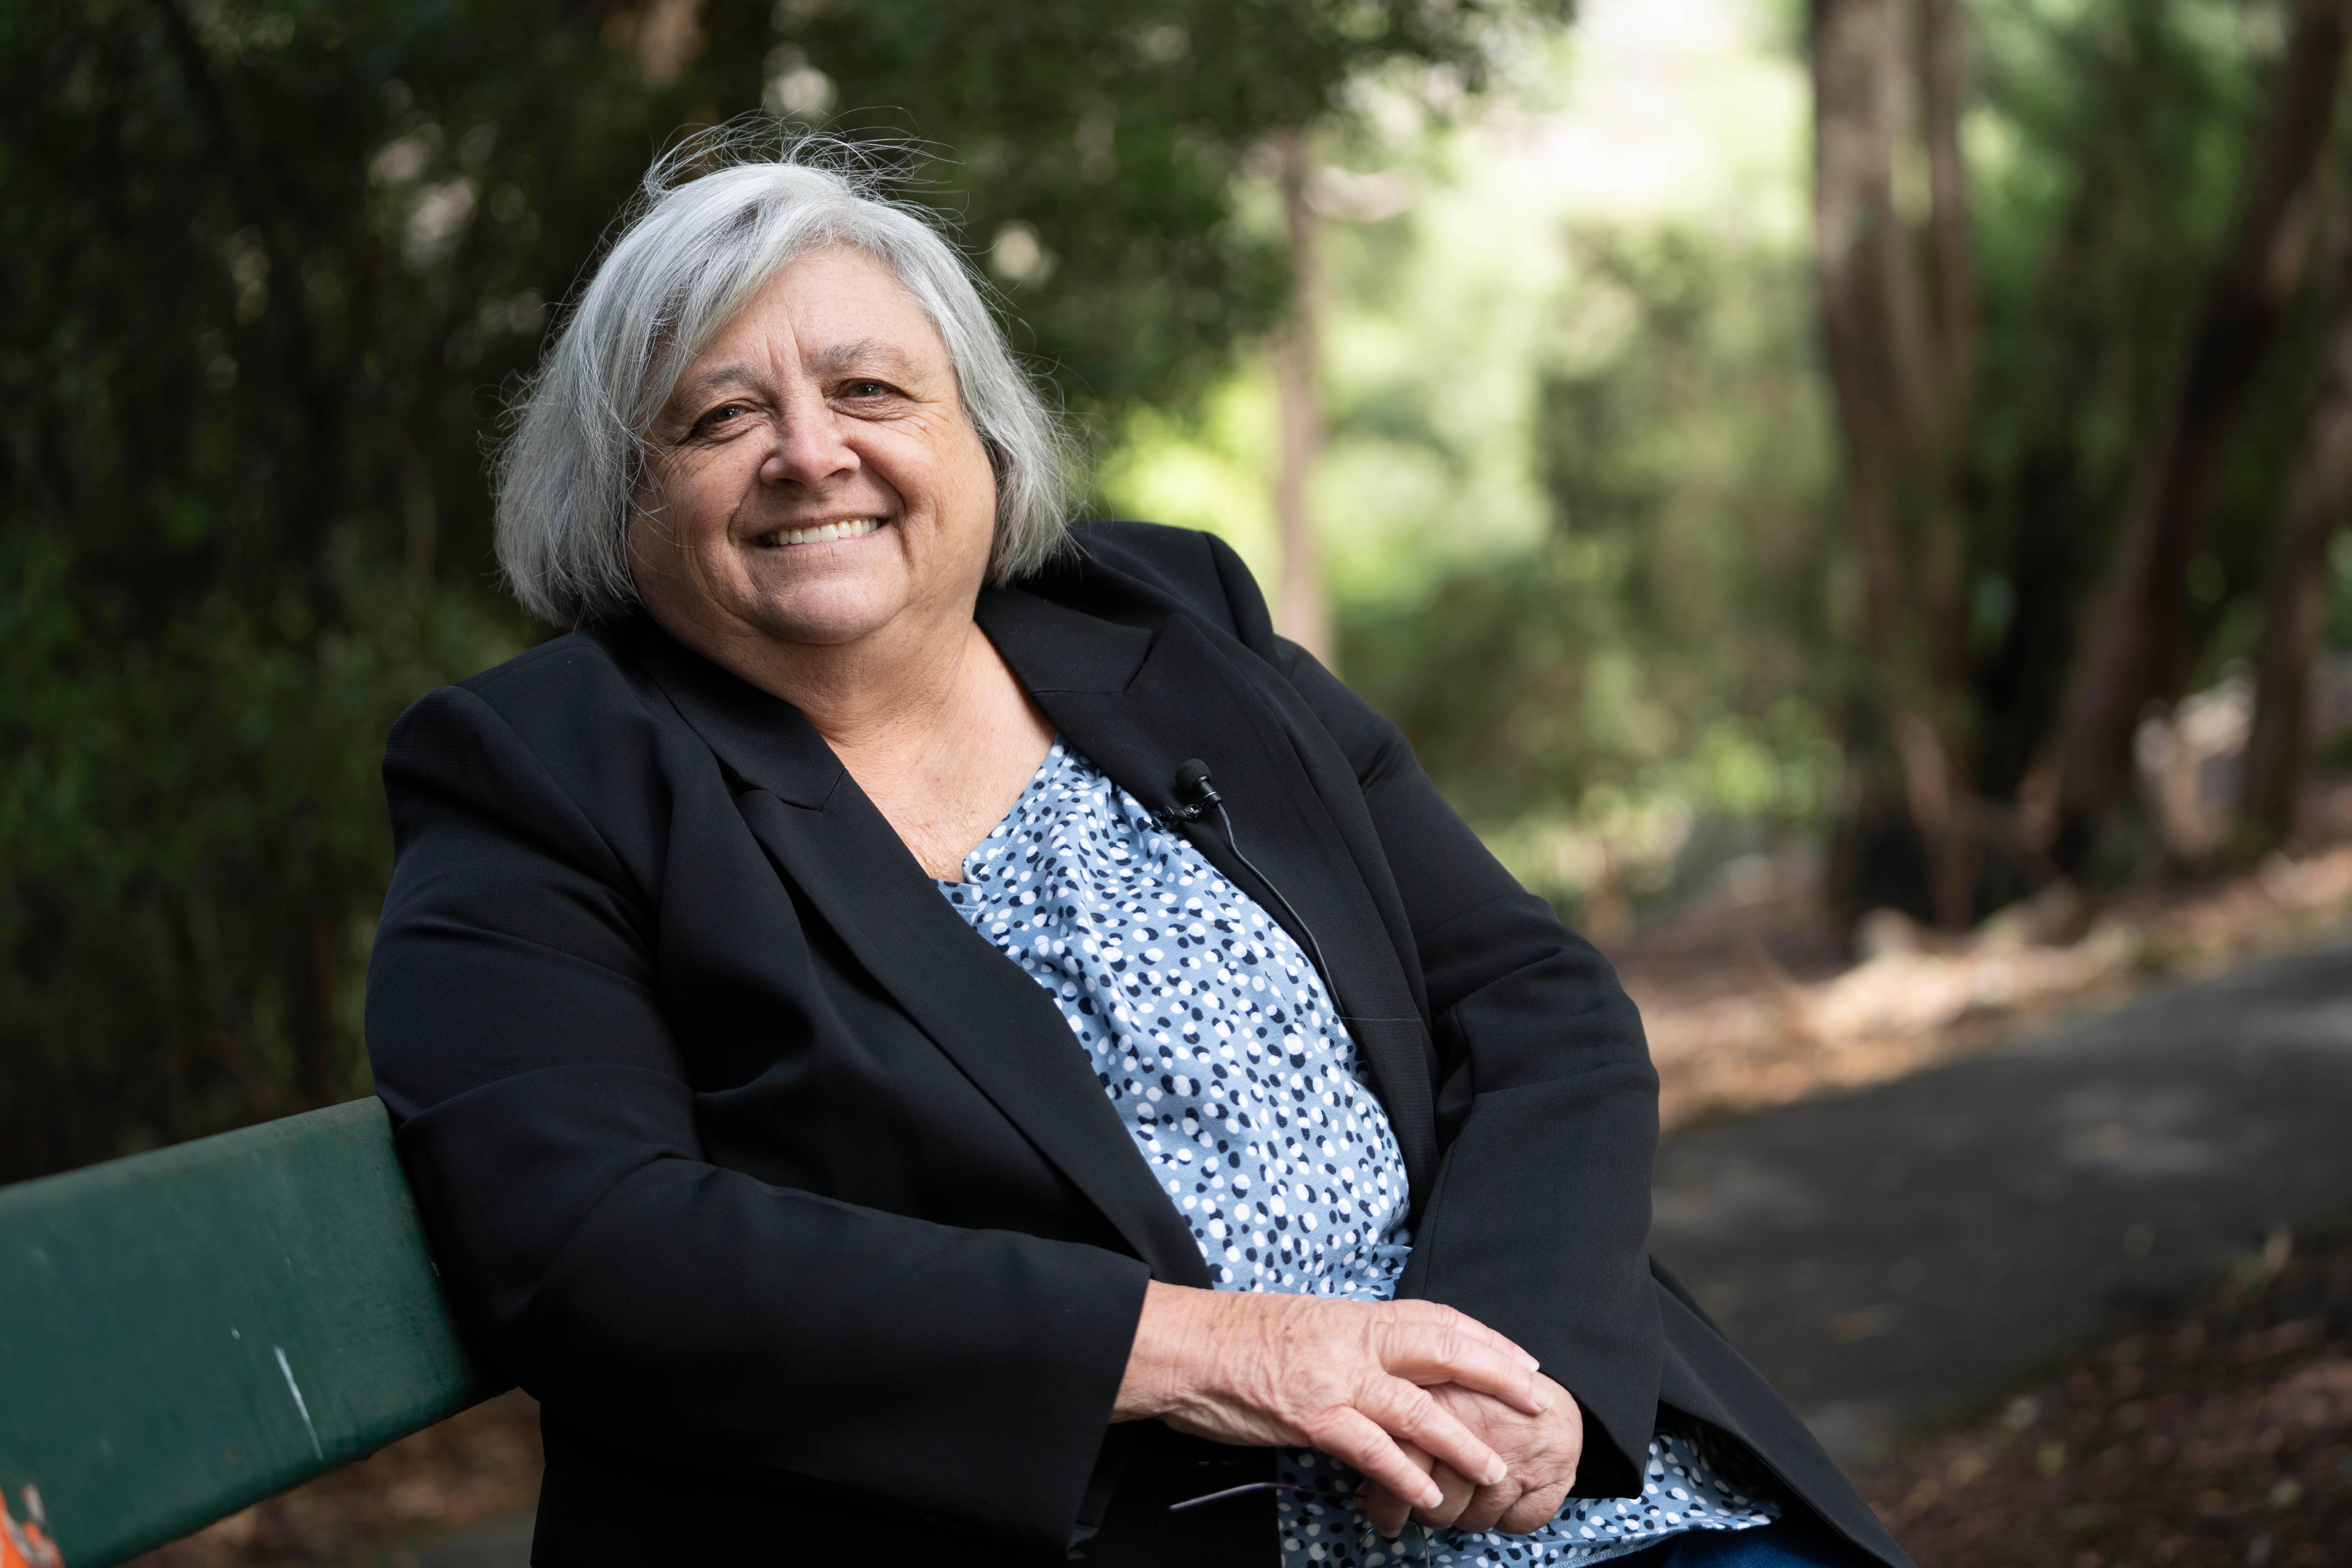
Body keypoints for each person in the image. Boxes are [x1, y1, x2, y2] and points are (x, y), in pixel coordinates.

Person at [365, 132, 1913, 1568]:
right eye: (720, 417)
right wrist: (1228, 1353)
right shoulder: (545, 769)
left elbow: (1531, 998)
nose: (808, 453)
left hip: (1530, 1483)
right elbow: (590, 1248)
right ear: (624, 503)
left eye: (872, 393)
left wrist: (1525, 1358)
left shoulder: (1174, 627)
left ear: (980, 437)